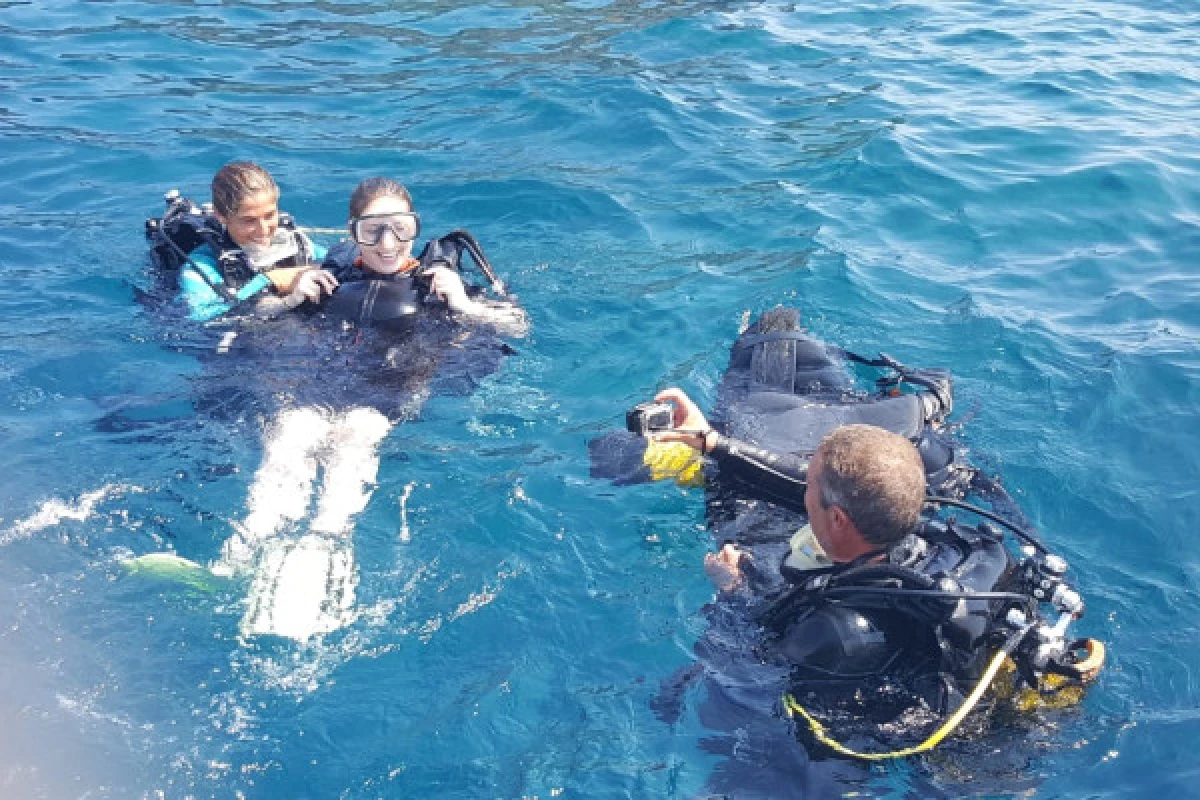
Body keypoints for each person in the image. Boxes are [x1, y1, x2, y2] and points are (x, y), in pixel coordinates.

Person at [321, 176, 527, 334]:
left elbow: (518, 327)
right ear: (353, 233)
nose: (387, 243)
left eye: (400, 228)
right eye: (372, 230)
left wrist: (466, 307)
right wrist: (290, 301)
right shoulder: (333, 280)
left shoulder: (437, 286)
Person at [175, 161, 335, 321]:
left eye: (269, 215)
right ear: (221, 216)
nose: (263, 230)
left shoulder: (294, 243)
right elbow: (200, 317)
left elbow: (337, 261)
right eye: (249, 221)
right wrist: (271, 281)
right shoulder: (201, 266)